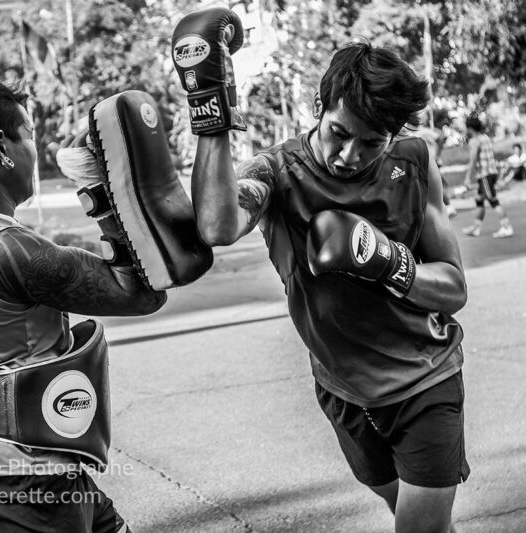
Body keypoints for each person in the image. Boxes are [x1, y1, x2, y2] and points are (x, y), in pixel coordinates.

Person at [171, 8, 469, 532]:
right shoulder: (278, 171)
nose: (349, 156)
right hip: (343, 389)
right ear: (319, 106)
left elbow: (453, 287)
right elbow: (218, 226)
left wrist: (389, 263)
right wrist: (211, 113)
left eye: (371, 143)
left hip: (426, 379)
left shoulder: (414, 163)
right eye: (339, 133)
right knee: (413, 514)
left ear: (392, 135)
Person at [0, 61, 168, 532]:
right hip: (29, 476)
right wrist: (100, 186)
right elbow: (140, 293)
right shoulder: (8, 250)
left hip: (14, 463)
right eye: (29, 135)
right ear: (1, 147)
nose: (38, 149)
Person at [461, 117, 514, 238]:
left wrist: (468, 177)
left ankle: (507, 227)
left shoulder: (474, 141)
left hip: (485, 174)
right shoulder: (485, 138)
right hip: (491, 172)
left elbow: (473, 159)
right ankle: (476, 228)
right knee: (479, 200)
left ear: (469, 128)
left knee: (493, 200)